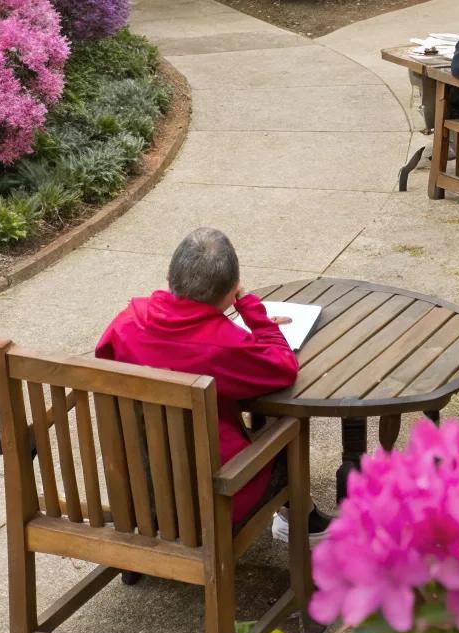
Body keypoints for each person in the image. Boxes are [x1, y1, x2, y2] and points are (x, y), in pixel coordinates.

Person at [96, 227, 330, 544]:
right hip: (214, 500)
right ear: (230, 292)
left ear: (169, 277)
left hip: (141, 491)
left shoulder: (124, 323)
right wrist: (250, 306)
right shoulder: (224, 345)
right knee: (288, 430)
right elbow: (283, 367)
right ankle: (300, 521)